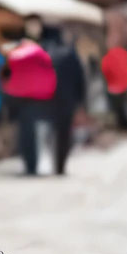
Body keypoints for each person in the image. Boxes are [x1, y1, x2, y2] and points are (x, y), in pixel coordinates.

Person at [3, 29, 58, 175]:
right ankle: (32, 165)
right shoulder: (41, 54)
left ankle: (30, 165)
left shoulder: (20, 53)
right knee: (34, 133)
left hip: (22, 98)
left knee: (26, 134)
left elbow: (11, 61)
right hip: (39, 98)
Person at [41, 23, 87, 174]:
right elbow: (79, 78)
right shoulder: (70, 52)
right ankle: (60, 164)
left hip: (44, 98)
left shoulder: (41, 52)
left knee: (47, 131)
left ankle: (46, 160)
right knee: (64, 133)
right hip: (67, 99)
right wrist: (81, 101)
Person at [100, 43, 127, 133]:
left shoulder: (106, 58)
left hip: (113, 86)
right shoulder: (125, 55)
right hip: (124, 85)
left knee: (117, 108)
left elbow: (105, 71)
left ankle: (121, 124)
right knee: (125, 106)